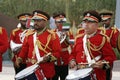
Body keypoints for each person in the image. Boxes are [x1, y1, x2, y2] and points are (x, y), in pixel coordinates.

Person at [69, 10, 116, 80]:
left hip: (95, 75)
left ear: (97, 24)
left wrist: (102, 64)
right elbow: (73, 54)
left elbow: (111, 57)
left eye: (90, 22)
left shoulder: (103, 39)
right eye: (85, 22)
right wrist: (72, 60)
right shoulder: (79, 38)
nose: (86, 24)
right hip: (79, 74)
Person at [16, 10, 61, 80]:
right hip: (30, 69)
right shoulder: (29, 35)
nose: (36, 23)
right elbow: (24, 49)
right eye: (35, 21)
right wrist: (20, 58)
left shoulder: (52, 35)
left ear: (45, 21)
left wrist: (48, 58)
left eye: (38, 21)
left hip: (46, 70)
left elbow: (57, 53)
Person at [52, 12, 73, 80]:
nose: (60, 24)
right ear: (55, 23)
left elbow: (72, 45)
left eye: (62, 21)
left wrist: (67, 35)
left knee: (64, 77)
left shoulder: (69, 32)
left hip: (65, 58)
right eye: (58, 22)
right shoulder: (52, 33)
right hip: (54, 59)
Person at [100, 12, 120, 80]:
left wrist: (107, 39)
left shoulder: (114, 31)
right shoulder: (99, 30)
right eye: (103, 21)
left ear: (109, 20)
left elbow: (115, 45)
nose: (104, 22)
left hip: (108, 55)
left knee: (107, 73)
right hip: (99, 55)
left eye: (106, 20)